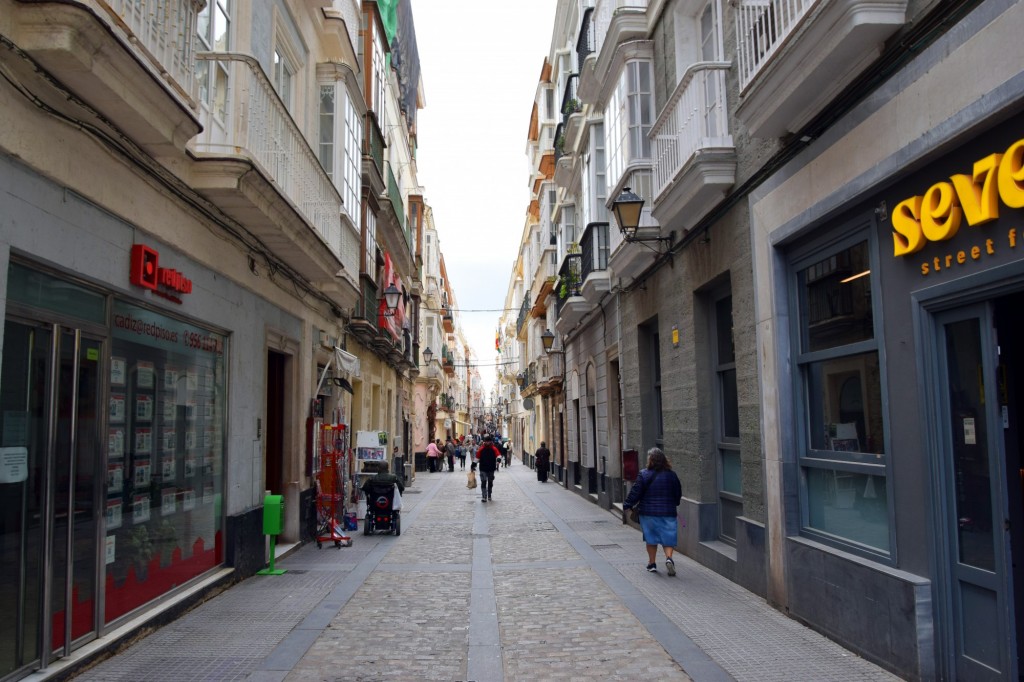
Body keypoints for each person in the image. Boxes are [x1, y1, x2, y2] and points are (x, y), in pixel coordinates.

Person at [623, 447, 682, 575]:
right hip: (668, 512)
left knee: (651, 539)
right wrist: (675, 503)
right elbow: (677, 492)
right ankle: (669, 558)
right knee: (669, 537)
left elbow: (635, 492)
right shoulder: (672, 475)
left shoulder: (644, 474)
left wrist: (627, 504)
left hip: (648, 513)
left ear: (650, 460)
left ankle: (652, 563)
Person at [475, 434, 500, 502]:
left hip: (491, 468)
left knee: (490, 482)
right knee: (483, 482)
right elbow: (477, 458)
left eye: (488, 441)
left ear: (490, 442)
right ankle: (484, 496)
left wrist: (498, 459)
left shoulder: (493, 448)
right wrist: (473, 465)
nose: (487, 442)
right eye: (486, 441)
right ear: (484, 442)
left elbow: (498, 455)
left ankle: (489, 494)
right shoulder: (481, 449)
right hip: (483, 468)